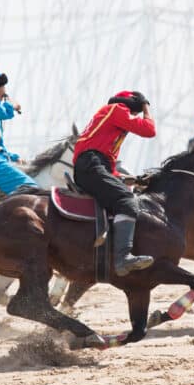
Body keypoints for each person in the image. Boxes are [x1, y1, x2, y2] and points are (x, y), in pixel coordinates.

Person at [73, 91, 156, 277]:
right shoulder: (117, 109)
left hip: (92, 165)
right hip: (91, 164)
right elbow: (149, 130)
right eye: (133, 113)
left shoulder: (109, 119)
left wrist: (127, 178)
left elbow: (107, 164)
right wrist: (146, 106)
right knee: (126, 200)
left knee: (124, 191)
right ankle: (122, 257)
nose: (132, 118)